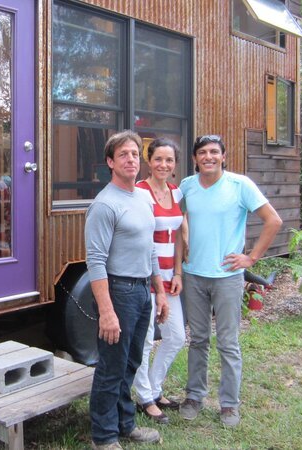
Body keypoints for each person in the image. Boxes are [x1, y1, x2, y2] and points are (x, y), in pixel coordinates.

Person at [178, 134, 282, 427]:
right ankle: (194, 396)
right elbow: (175, 215)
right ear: (195, 158)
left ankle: (229, 405)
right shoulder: (187, 186)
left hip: (227, 277)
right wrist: (185, 238)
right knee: (198, 339)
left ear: (223, 156)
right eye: (202, 152)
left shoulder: (240, 186)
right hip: (195, 274)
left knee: (227, 342)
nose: (208, 157)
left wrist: (251, 258)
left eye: (214, 152)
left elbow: (273, 220)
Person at [85, 130, 168, 449]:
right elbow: (95, 261)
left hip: (141, 291)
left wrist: (158, 291)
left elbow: (150, 248)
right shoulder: (105, 205)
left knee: (131, 363)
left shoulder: (142, 198)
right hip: (117, 292)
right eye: (123, 154)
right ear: (110, 162)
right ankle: (103, 437)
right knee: (111, 367)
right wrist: (106, 312)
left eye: (135, 153)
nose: (131, 159)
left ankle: (124, 423)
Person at [131, 138, 187, 425]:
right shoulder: (139, 192)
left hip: (169, 278)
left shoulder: (177, 193)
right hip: (145, 277)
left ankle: (154, 387)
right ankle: (144, 397)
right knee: (144, 340)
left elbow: (177, 237)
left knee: (176, 336)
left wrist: (177, 273)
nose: (163, 165)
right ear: (148, 161)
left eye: (169, 160)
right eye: (158, 159)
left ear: (175, 164)